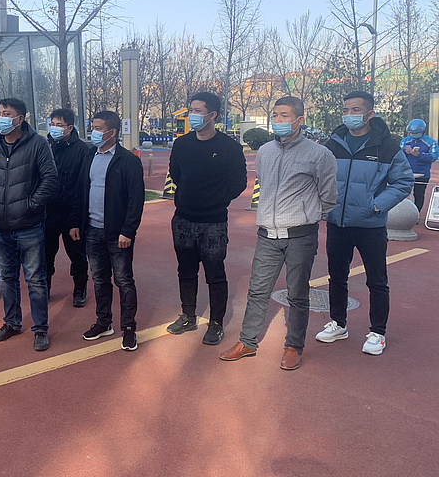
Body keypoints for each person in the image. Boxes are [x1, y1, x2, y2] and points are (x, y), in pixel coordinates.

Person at [220, 97, 337, 370]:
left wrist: (306, 216)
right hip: (267, 236)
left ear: (300, 120)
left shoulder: (319, 154)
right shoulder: (265, 151)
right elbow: (264, 185)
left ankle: (293, 346)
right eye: (275, 115)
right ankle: (247, 342)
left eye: (285, 115)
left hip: (300, 236)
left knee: (297, 294)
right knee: (257, 291)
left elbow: (329, 196)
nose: (278, 120)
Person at [316, 91, 413, 355]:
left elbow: (404, 181)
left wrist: (377, 205)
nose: (349, 115)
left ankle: (377, 332)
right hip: (337, 223)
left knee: (377, 281)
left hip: (370, 225)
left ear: (370, 114)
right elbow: (319, 176)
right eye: (345, 110)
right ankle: (338, 324)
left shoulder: (386, 146)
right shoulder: (333, 144)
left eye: (355, 110)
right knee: (337, 277)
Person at [166, 91, 247, 346]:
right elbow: (176, 174)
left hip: (213, 223)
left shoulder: (229, 147)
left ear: (212, 115)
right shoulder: (182, 144)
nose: (192, 115)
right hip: (183, 220)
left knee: (215, 274)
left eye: (197, 111)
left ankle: (216, 323)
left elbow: (239, 183)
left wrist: (215, 199)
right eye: (191, 110)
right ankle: (188, 316)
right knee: (186, 271)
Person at [0, 98, 58, 352]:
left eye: (7, 113)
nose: (1, 118)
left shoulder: (38, 144)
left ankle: (40, 328)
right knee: (7, 278)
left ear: (20, 119)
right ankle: (11, 323)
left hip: (29, 225)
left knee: (35, 279)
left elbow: (50, 180)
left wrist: (30, 205)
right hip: (0, 226)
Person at [70, 110, 145, 351]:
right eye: (92, 127)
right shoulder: (89, 156)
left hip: (117, 234)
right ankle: (104, 322)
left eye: (98, 128)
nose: (93, 132)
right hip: (92, 230)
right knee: (100, 279)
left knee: (124, 281)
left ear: (112, 132)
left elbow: (136, 199)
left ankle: (129, 328)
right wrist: (75, 222)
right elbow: (80, 191)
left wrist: (128, 231)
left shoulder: (128, 161)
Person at [45, 108, 89, 306]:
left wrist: (76, 219)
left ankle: (80, 288)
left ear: (70, 128)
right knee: (46, 253)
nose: (54, 128)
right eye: (52, 124)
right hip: (49, 211)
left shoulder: (82, 150)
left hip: (72, 212)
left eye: (59, 125)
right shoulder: (46, 146)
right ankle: (44, 286)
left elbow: (82, 187)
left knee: (77, 254)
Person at [400, 118, 438, 212]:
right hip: (406, 172)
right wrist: (405, 151)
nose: (413, 134)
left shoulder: (431, 142)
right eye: (411, 132)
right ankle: (401, 213)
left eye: (416, 132)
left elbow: (433, 156)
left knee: (419, 194)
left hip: (422, 174)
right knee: (401, 192)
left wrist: (419, 155)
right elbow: (397, 155)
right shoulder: (405, 141)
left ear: (422, 131)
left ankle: (416, 213)